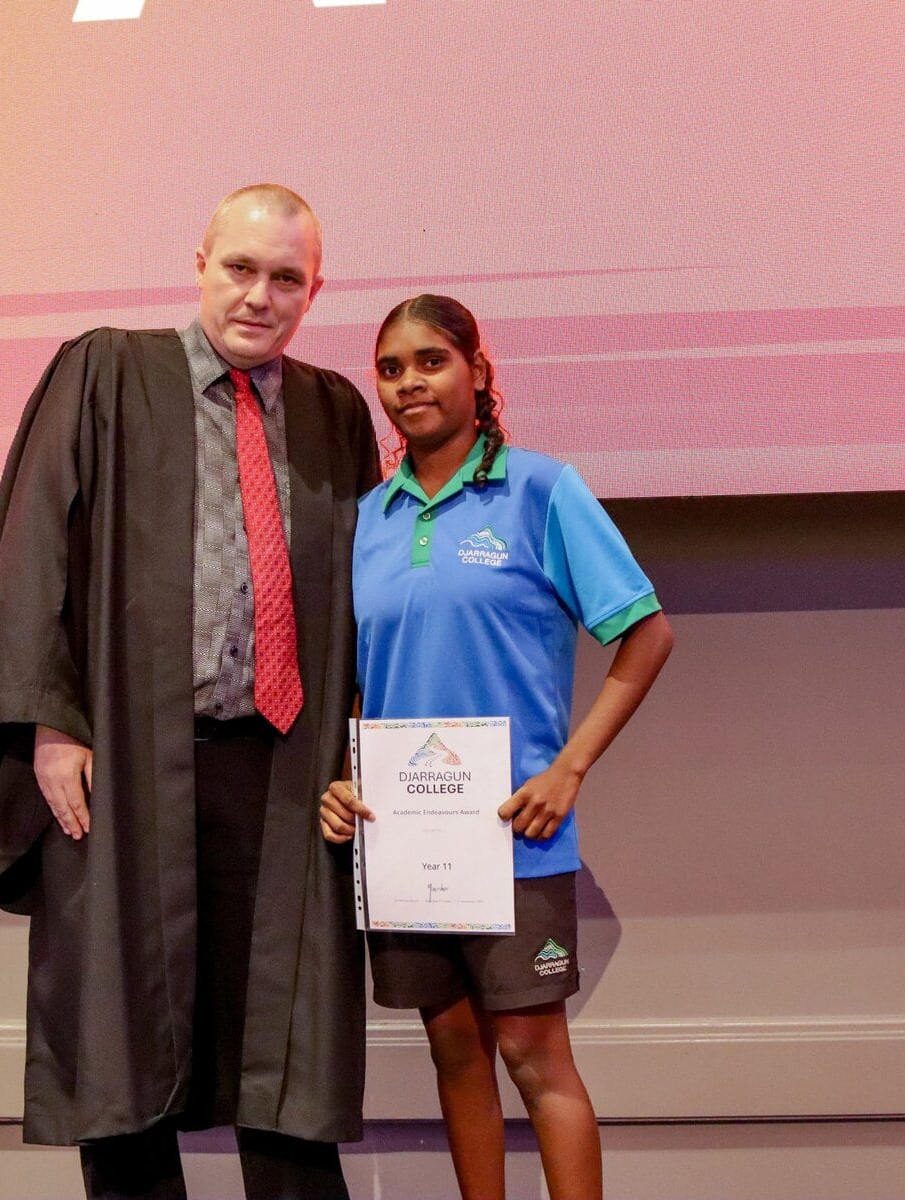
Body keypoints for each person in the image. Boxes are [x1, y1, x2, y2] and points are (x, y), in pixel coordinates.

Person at [0, 184, 381, 1200]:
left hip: (284, 767)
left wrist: (365, 747)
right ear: (201, 264)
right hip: (132, 760)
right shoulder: (107, 373)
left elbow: (371, 595)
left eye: (287, 279)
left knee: (288, 1051)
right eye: (241, 269)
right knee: (123, 1049)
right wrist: (49, 721)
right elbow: (34, 546)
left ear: (315, 292)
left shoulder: (334, 411)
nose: (260, 296)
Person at [319, 294, 674, 1199]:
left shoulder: (542, 491)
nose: (409, 383)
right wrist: (344, 778)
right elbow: (357, 679)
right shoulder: (367, 520)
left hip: (515, 835)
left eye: (431, 361)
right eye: (390, 369)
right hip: (405, 841)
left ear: (479, 372)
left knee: (531, 1051)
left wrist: (569, 769)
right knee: (454, 1048)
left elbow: (647, 635)